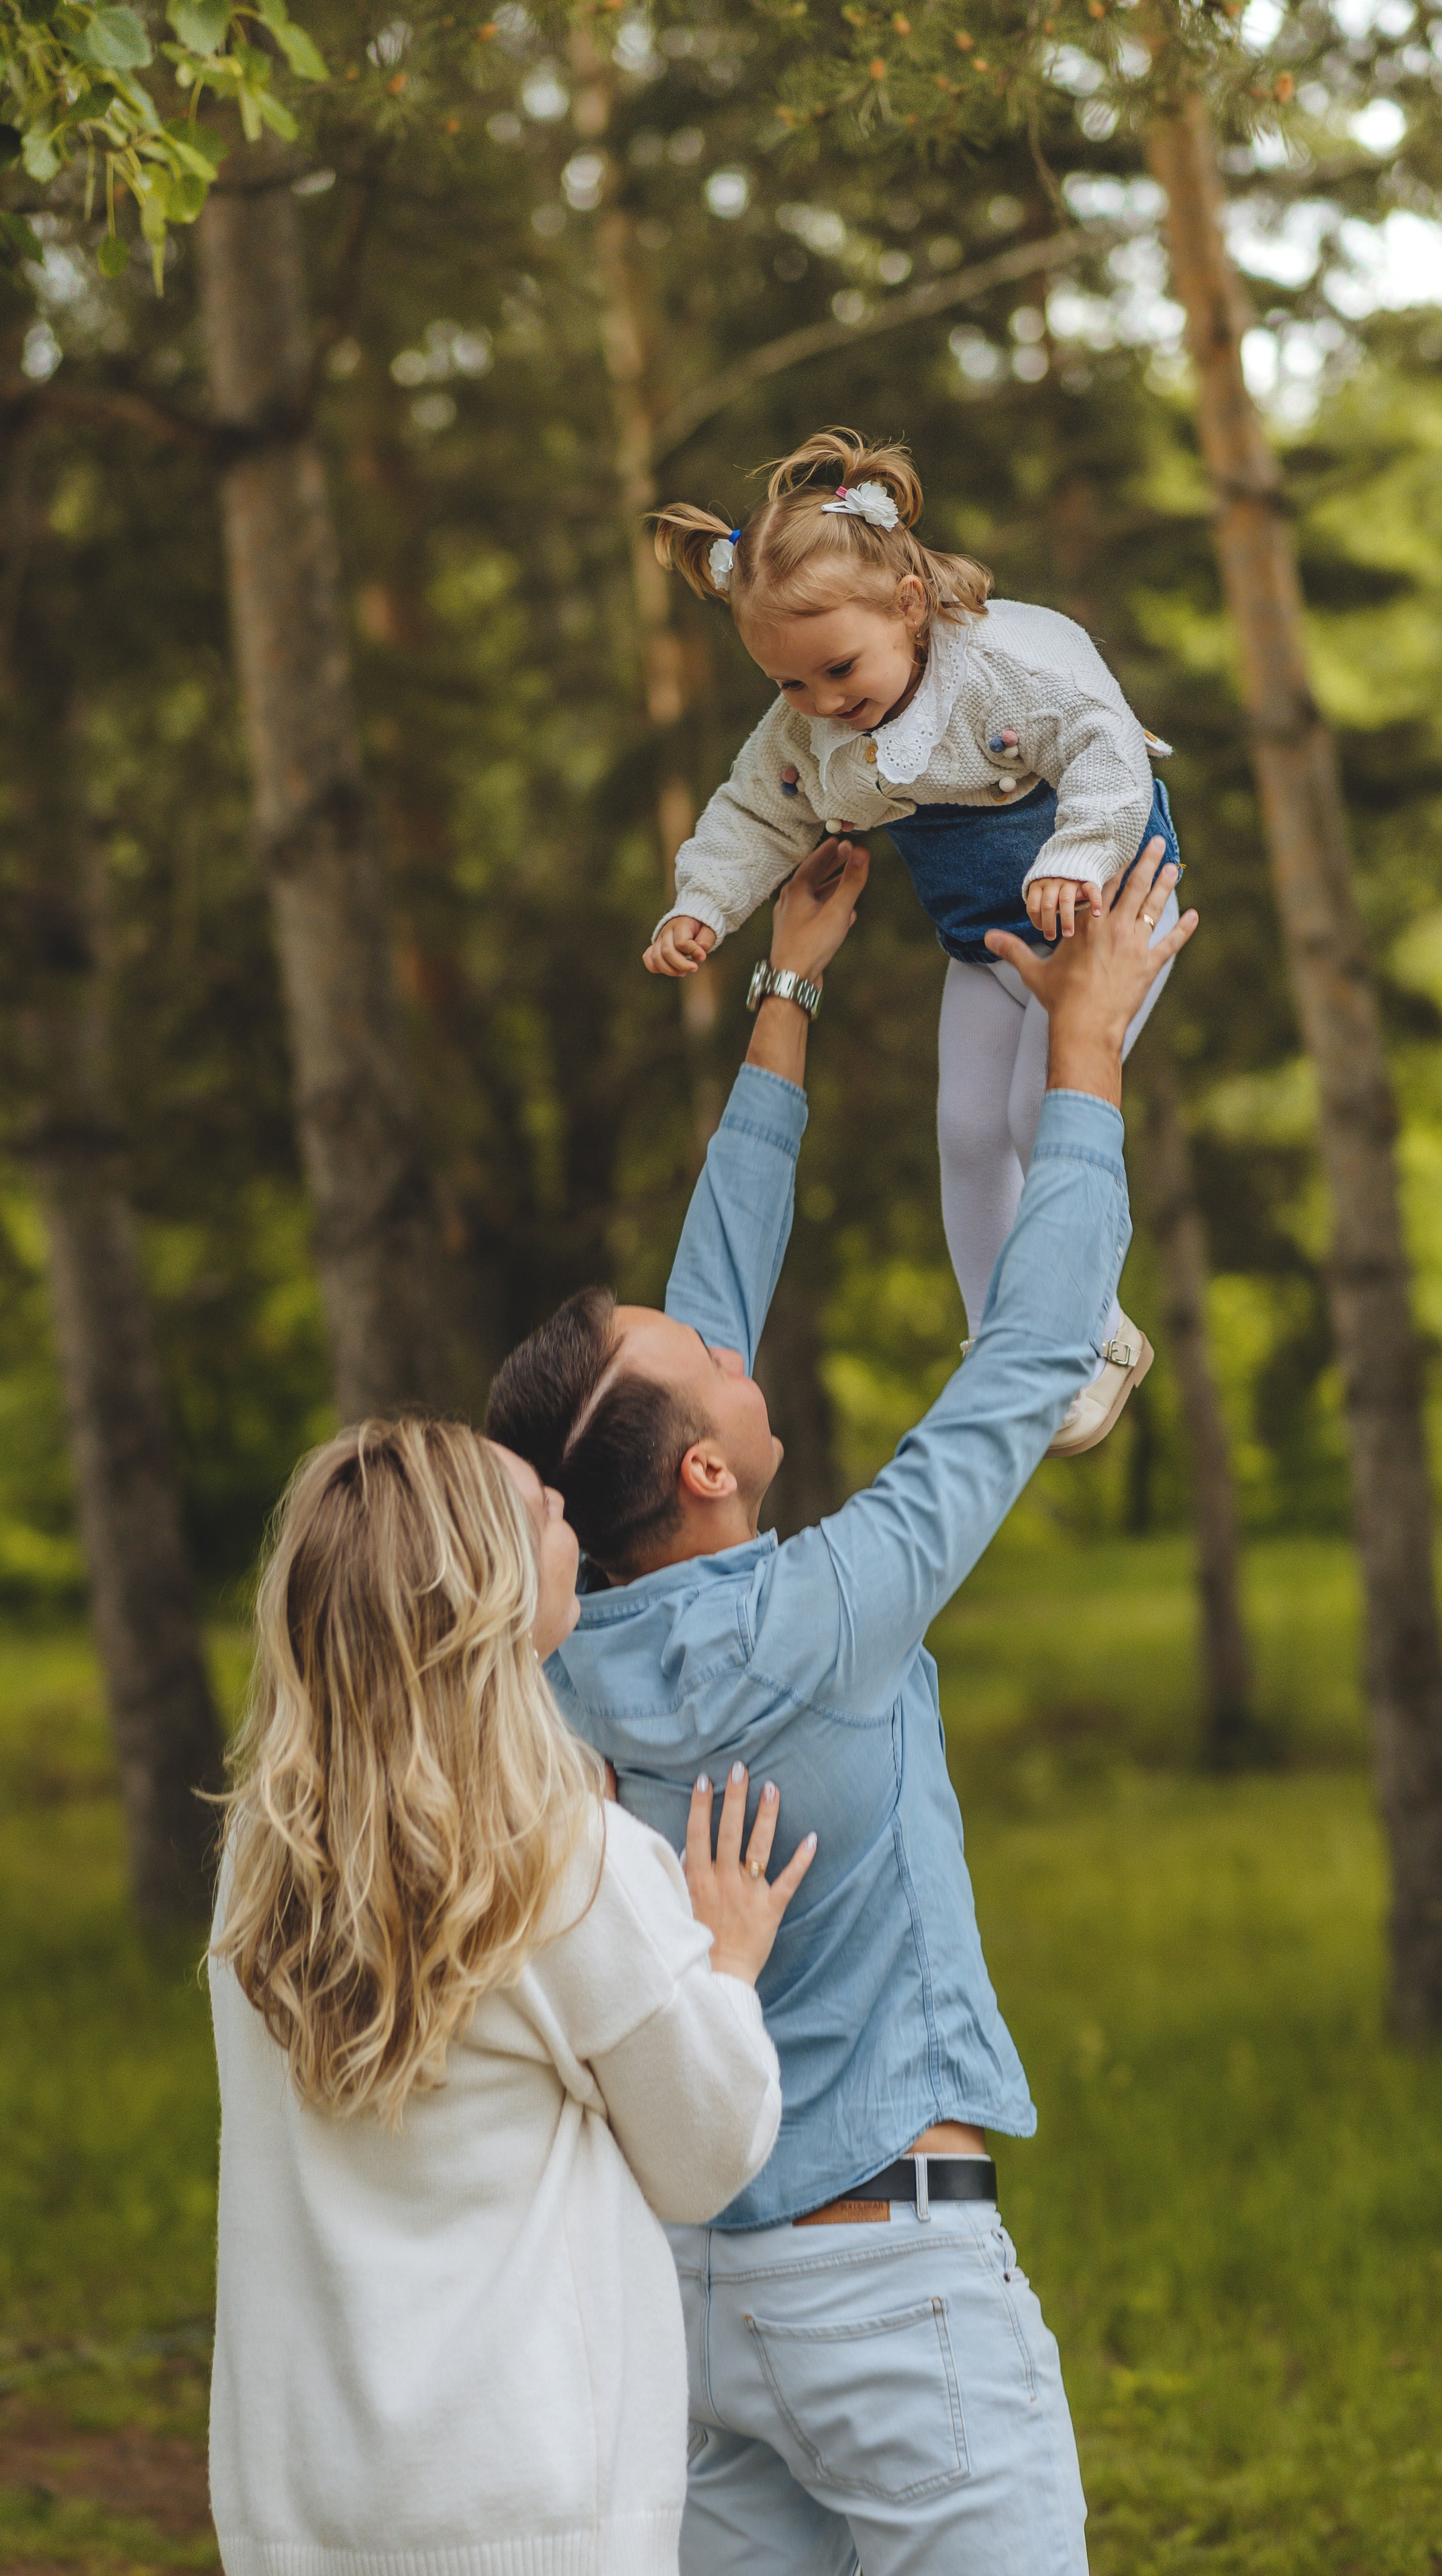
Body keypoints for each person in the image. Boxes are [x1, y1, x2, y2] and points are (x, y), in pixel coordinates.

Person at [484, 835, 1197, 2576]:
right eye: (711, 1360)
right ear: (710, 1470)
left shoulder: (560, 1647)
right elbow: (1030, 1359)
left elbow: (698, 1316)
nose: (736, 1340)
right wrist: (1085, 1052)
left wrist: (789, 987)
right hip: (891, 2291)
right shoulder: (830, 1614)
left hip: (690, 2303)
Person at [206, 1414, 815, 2576]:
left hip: (306, 2508)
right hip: (531, 2503)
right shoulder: (563, 1856)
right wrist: (726, 1960)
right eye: (542, 1509)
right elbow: (708, 2149)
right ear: (478, 1587)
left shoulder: (262, 1857)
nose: (568, 1522)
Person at [642, 423, 1182, 1455]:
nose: (823, 705)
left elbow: (1109, 748)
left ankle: (1091, 1330)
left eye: (838, 671)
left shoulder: (1005, 671)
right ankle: (999, 1343)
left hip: (1106, 901)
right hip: (984, 934)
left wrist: (1078, 852)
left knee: (1039, 1109)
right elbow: (757, 810)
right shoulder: (813, 726)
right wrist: (701, 907)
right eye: (789, 686)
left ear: (907, 605)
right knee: (968, 1130)